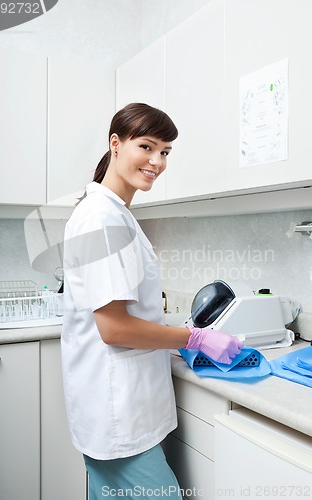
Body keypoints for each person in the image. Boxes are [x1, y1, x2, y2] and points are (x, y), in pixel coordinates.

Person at [61, 103, 243, 499]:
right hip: (118, 412)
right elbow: (114, 328)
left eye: (165, 153)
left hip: (118, 407)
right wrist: (193, 338)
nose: (157, 161)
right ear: (116, 144)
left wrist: (181, 333)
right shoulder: (102, 218)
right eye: (147, 146)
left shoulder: (115, 213)